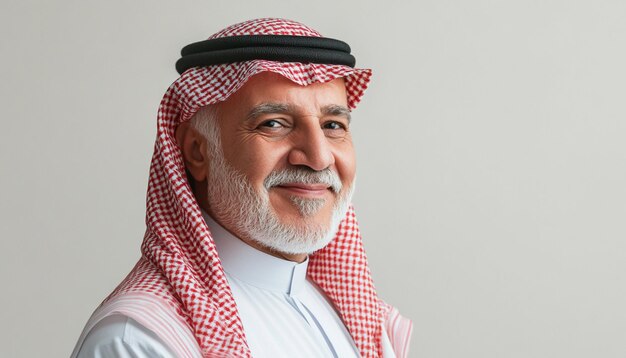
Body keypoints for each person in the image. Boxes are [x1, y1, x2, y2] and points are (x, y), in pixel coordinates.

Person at [71, 18, 412, 358]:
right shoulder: (140, 341)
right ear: (197, 152)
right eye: (274, 123)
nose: (319, 157)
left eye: (333, 125)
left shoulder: (351, 321)